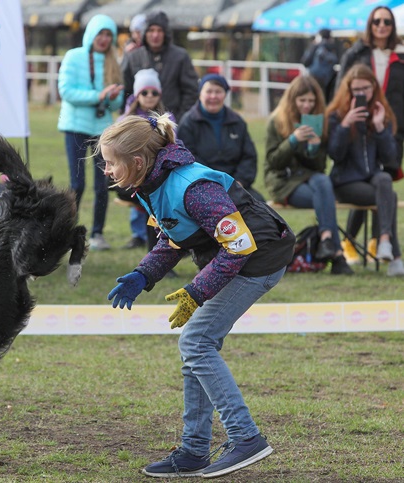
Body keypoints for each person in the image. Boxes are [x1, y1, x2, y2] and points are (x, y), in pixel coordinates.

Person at [97, 113, 295, 479]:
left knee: (197, 342)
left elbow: (238, 246)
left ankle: (245, 437)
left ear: (137, 162)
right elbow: (174, 236)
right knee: (195, 349)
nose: (106, 170)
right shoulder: (153, 183)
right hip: (241, 258)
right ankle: (194, 450)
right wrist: (144, 274)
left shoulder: (192, 187)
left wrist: (195, 292)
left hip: (259, 259)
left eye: (111, 162)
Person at [264, 74, 353, 275]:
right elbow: (273, 162)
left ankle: (327, 239)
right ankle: (337, 255)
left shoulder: (318, 122)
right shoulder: (276, 121)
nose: (307, 105)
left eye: (311, 101)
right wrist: (293, 141)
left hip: (312, 179)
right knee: (324, 195)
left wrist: (314, 148)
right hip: (284, 181)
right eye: (302, 100)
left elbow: (319, 167)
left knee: (323, 181)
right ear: (292, 99)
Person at [335, 6, 404, 262]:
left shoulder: (401, 56)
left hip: (390, 129)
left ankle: (377, 241)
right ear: (370, 24)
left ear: (392, 25)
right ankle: (350, 241)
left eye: (386, 21)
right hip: (356, 128)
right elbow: (342, 90)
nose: (381, 26)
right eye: (377, 21)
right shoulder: (356, 53)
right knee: (361, 178)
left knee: (382, 179)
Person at [326, 64, 404, 277]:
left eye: (365, 89)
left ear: (374, 88)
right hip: (345, 182)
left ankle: (385, 242)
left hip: (373, 179)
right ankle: (394, 256)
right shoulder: (336, 115)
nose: (361, 94)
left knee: (385, 179)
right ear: (348, 90)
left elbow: (390, 159)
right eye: (356, 90)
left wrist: (379, 128)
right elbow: (335, 154)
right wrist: (345, 125)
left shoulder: (381, 113)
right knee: (388, 195)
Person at [57, 14, 124, 251]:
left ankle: (97, 234)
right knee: (77, 183)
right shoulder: (73, 57)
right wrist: (99, 96)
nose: (104, 39)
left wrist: (113, 99)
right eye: (100, 34)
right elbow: (66, 91)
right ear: (91, 34)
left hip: (102, 130)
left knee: (103, 183)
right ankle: (67, 233)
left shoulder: (113, 62)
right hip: (75, 126)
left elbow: (116, 106)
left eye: (109, 35)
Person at [178, 73, 264, 201]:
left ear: (225, 94)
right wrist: (213, 182)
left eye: (218, 92)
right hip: (201, 186)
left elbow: (249, 156)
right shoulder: (188, 123)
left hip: (235, 185)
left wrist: (239, 182)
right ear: (200, 94)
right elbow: (188, 159)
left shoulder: (237, 122)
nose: (213, 96)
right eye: (209, 91)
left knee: (261, 206)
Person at [116, 68, 175, 251]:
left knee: (158, 211)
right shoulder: (125, 120)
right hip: (133, 177)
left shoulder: (167, 120)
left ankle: (162, 249)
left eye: (154, 92)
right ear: (136, 94)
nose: (149, 96)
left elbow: (173, 146)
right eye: (144, 92)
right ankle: (147, 243)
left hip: (159, 175)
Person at [121, 10, 198, 122]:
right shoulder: (133, 57)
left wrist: (179, 119)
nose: (155, 35)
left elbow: (191, 92)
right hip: (139, 124)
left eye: (159, 30)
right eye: (151, 30)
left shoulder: (180, 57)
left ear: (165, 33)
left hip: (171, 122)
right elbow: (125, 90)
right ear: (145, 33)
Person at [301, 29, 339, 103]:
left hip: (314, 78)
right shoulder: (331, 46)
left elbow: (305, 62)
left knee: (314, 100)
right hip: (328, 80)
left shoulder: (316, 46)